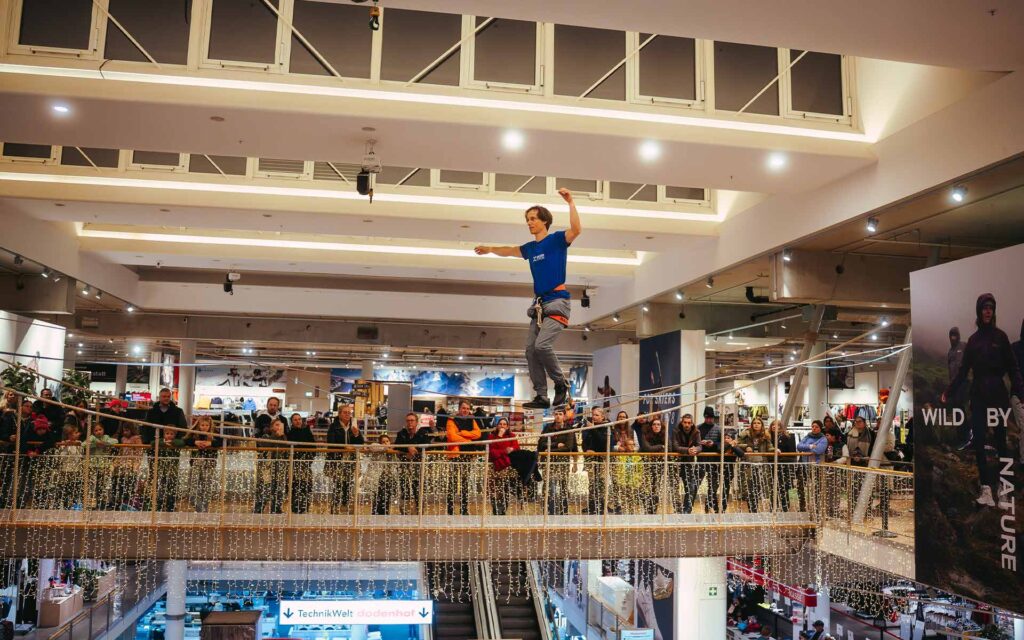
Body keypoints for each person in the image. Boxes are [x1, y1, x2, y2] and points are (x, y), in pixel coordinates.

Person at [475, 188, 582, 409]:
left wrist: (570, 202)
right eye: (527, 219)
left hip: (558, 301)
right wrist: (490, 249)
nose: (529, 222)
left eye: (533, 219)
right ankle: (541, 396)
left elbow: (577, 229)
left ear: (544, 221)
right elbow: (511, 250)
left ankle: (561, 384)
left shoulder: (556, 240)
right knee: (530, 350)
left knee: (542, 346)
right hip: (540, 305)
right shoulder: (531, 248)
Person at [942, 293, 1024, 506]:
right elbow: (962, 371)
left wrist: (1018, 389)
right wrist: (949, 391)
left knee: (1001, 443)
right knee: (978, 441)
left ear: (993, 311)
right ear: (979, 311)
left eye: (991, 307)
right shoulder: (974, 341)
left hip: (998, 395)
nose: (988, 310)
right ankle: (986, 490)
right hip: (978, 395)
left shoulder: (1001, 337)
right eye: (984, 307)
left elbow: (1014, 368)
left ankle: (1004, 491)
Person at [444, 400, 482, 516]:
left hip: (467, 454)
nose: (465, 410)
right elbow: (451, 436)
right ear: (459, 408)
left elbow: (478, 433)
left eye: (467, 408)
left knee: (465, 483)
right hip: (455, 455)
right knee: (453, 483)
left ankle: (464, 509)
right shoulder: (451, 419)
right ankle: (450, 510)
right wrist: (468, 441)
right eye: (463, 408)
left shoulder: (471, 419)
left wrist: (462, 433)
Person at [537, 407, 577, 515]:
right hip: (549, 462)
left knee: (563, 486)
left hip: (562, 461)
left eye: (560, 414)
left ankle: (564, 511)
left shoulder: (569, 429)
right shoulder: (548, 428)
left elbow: (569, 447)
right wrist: (556, 445)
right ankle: (550, 511)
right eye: (556, 414)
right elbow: (541, 444)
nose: (558, 416)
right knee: (549, 486)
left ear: (564, 416)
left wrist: (549, 447)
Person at [326, 404, 363, 514]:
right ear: (340, 414)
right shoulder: (333, 427)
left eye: (349, 412)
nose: (348, 414)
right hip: (337, 460)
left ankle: (345, 506)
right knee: (338, 485)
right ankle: (335, 508)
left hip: (350, 460)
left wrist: (356, 435)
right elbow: (331, 443)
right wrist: (344, 447)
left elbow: (360, 443)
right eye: (345, 412)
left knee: (348, 484)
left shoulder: (354, 426)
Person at [394, 412, 430, 515]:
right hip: (404, 464)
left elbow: (427, 444)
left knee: (418, 488)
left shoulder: (423, 432)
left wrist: (414, 450)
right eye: (408, 420)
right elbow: (397, 445)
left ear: (416, 422)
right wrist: (408, 448)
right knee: (404, 487)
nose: (410, 423)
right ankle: (404, 512)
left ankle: (419, 512)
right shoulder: (401, 433)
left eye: (412, 420)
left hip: (418, 465)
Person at [737, 417, 774, 513]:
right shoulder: (746, 435)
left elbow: (770, 447)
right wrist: (747, 447)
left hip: (762, 464)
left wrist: (775, 450)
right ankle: (752, 510)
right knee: (750, 488)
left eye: (758, 423)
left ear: (762, 425)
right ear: (752, 425)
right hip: (749, 464)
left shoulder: (766, 436)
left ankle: (758, 510)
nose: (756, 425)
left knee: (759, 487)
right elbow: (737, 444)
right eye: (754, 423)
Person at [185, 415, 221, 513]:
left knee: (207, 489)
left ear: (210, 426)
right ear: (198, 425)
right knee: (192, 490)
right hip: (196, 463)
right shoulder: (194, 434)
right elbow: (185, 440)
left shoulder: (214, 434)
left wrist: (211, 443)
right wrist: (195, 442)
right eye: (202, 425)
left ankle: (203, 511)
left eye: (206, 425)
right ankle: (201, 510)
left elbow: (222, 441)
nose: (204, 427)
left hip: (209, 464)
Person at [254, 418, 288, 514]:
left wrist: (281, 437)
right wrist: (276, 436)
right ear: (272, 427)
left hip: (280, 466)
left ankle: (276, 509)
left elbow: (285, 449)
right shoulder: (266, 436)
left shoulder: (283, 437)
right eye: (276, 425)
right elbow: (264, 444)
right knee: (265, 490)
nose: (279, 427)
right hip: (268, 467)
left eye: (280, 425)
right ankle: (258, 510)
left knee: (279, 490)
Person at [488, 418, 520, 516]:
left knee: (505, 490)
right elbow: (492, 452)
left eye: (504, 424)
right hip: (495, 467)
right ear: (497, 426)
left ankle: (503, 511)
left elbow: (516, 450)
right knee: (495, 490)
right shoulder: (492, 436)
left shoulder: (512, 436)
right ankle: (496, 510)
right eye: (500, 424)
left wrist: (501, 452)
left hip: (507, 467)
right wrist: (500, 438)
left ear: (507, 426)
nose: (502, 426)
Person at [582, 407, 611, 515]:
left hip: (601, 459)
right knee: (591, 483)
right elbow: (584, 442)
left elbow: (603, 443)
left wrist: (593, 429)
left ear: (602, 416)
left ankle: (602, 505)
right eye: (593, 415)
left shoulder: (606, 427)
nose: (594, 417)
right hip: (590, 459)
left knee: (601, 482)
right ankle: (592, 505)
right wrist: (586, 450)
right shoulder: (588, 428)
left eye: (597, 415)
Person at [670, 413, 702, 514]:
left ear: (692, 423)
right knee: (674, 488)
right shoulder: (676, 430)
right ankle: (678, 509)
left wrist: (695, 449)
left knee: (690, 487)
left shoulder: (696, 431)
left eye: (689, 423)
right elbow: (675, 446)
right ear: (682, 422)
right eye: (685, 422)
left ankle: (687, 510)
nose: (687, 425)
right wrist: (688, 450)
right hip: (676, 462)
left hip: (688, 462)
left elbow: (700, 446)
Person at [287, 412, 316, 514]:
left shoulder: (307, 431)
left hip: (306, 464)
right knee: (295, 487)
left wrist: (309, 459)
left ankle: (305, 508)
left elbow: (313, 446)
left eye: (299, 419)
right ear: (292, 422)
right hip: (294, 464)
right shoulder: (289, 433)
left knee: (307, 486)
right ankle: (295, 509)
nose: (298, 421)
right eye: (295, 420)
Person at [85, 422, 118, 510]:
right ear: (93, 432)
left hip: (104, 465)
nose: (98, 432)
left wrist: (104, 443)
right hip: (93, 464)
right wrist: (95, 443)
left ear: (103, 430)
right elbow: (84, 444)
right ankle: (93, 503)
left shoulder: (106, 437)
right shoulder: (92, 438)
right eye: (96, 430)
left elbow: (115, 441)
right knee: (93, 484)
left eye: (100, 429)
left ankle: (103, 503)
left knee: (104, 484)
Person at [638, 416, 667, 514]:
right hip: (646, 466)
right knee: (645, 489)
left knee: (656, 489)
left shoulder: (664, 435)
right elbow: (647, 448)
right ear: (651, 426)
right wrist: (660, 446)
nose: (656, 426)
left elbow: (669, 448)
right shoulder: (645, 435)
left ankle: (653, 510)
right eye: (654, 424)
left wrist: (660, 447)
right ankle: (647, 509)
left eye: (658, 424)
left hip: (659, 466)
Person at [113, 422, 145, 510]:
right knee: (121, 482)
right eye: (124, 431)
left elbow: (139, 452)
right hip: (123, 464)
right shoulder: (123, 439)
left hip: (132, 464)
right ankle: (120, 502)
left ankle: (129, 502)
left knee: (130, 483)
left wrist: (136, 464)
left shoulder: (136, 438)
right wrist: (116, 461)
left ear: (131, 430)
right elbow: (121, 451)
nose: (125, 433)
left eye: (127, 430)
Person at [768, 419, 798, 512]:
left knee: (786, 486)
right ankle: (773, 507)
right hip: (773, 464)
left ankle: (785, 507)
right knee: (774, 486)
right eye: (773, 425)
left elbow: (792, 452)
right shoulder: (768, 437)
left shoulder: (787, 436)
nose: (774, 426)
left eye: (776, 425)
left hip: (785, 465)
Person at [154, 425, 186, 512]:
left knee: (172, 491)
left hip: (173, 472)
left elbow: (181, 443)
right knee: (161, 491)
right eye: (167, 433)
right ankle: (159, 507)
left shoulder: (177, 442)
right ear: (164, 434)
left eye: (171, 434)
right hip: (162, 472)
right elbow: (153, 443)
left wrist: (171, 443)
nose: (169, 435)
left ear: (175, 435)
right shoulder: (161, 441)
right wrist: (164, 443)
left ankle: (170, 508)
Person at [369, 433, 398, 515]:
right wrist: (386, 448)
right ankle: (376, 515)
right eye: (383, 442)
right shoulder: (379, 449)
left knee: (387, 499)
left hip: (390, 478)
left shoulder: (393, 452)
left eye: (387, 441)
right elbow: (372, 446)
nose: (385, 443)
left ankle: (385, 514)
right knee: (378, 499)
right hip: (379, 477)